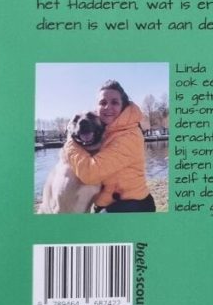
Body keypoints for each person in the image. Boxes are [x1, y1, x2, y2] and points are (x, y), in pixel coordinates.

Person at [62, 80, 155, 213]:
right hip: (110, 204)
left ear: (123, 105)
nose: (107, 107)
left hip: (131, 206)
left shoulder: (129, 136)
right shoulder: (109, 131)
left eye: (114, 102)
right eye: (103, 102)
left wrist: (70, 144)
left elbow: (91, 174)